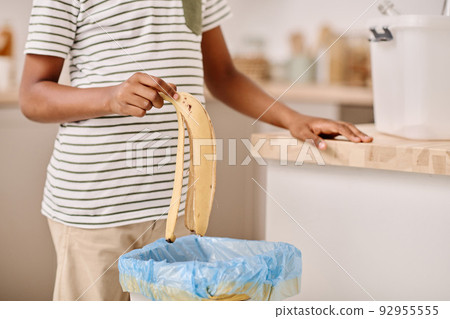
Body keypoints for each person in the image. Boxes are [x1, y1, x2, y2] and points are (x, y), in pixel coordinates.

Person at [20, 0, 373, 301]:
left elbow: (223, 75)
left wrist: (291, 118)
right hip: (97, 209)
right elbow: (32, 95)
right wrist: (110, 97)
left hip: (179, 212)